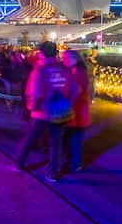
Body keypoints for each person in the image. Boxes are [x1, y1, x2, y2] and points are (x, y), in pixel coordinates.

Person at [13, 41, 77, 181]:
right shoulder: (65, 69)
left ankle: (19, 163)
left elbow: (35, 91)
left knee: (30, 138)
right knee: (56, 144)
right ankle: (53, 173)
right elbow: (74, 89)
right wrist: (68, 103)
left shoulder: (40, 69)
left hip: (42, 111)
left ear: (42, 53)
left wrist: (32, 107)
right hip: (61, 110)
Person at [61, 49, 93, 174]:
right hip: (80, 112)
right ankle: (75, 164)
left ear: (72, 59)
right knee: (75, 139)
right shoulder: (79, 70)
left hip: (76, 112)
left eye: (65, 58)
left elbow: (76, 91)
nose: (63, 60)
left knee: (70, 139)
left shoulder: (76, 71)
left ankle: (73, 164)